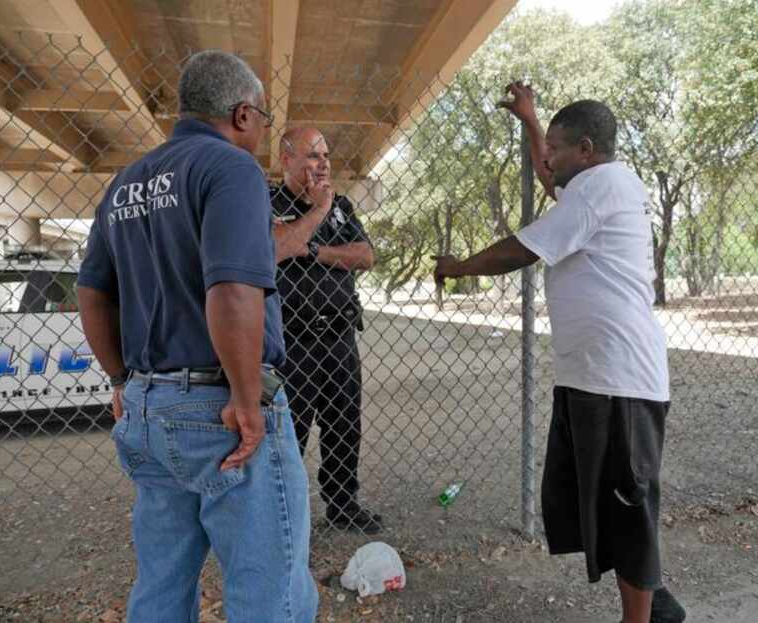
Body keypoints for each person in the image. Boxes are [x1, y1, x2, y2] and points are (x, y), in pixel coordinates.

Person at [76, 50, 317, 622]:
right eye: (261, 118)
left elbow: (92, 292)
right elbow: (234, 290)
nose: (262, 131)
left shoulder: (126, 184)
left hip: (146, 409)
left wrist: (119, 379)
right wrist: (245, 398)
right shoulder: (230, 169)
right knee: (270, 591)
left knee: (162, 582)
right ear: (239, 114)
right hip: (219, 410)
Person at [433, 83, 686, 623]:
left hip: (620, 378)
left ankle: (643, 613)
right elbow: (553, 183)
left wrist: (457, 268)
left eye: (557, 145)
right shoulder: (592, 187)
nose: (546, 156)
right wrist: (530, 120)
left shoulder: (601, 188)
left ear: (588, 151)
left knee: (627, 504)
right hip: (593, 376)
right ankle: (651, 598)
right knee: (603, 502)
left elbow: (523, 247)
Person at [269, 126, 382, 534]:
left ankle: (342, 503)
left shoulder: (342, 206)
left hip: (338, 336)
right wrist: (314, 213)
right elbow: (276, 248)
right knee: (289, 433)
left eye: (326, 156)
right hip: (291, 341)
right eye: (312, 156)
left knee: (343, 425)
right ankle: (283, 516)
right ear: (286, 160)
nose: (322, 164)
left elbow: (365, 256)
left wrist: (313, 249)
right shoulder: (268, 201)